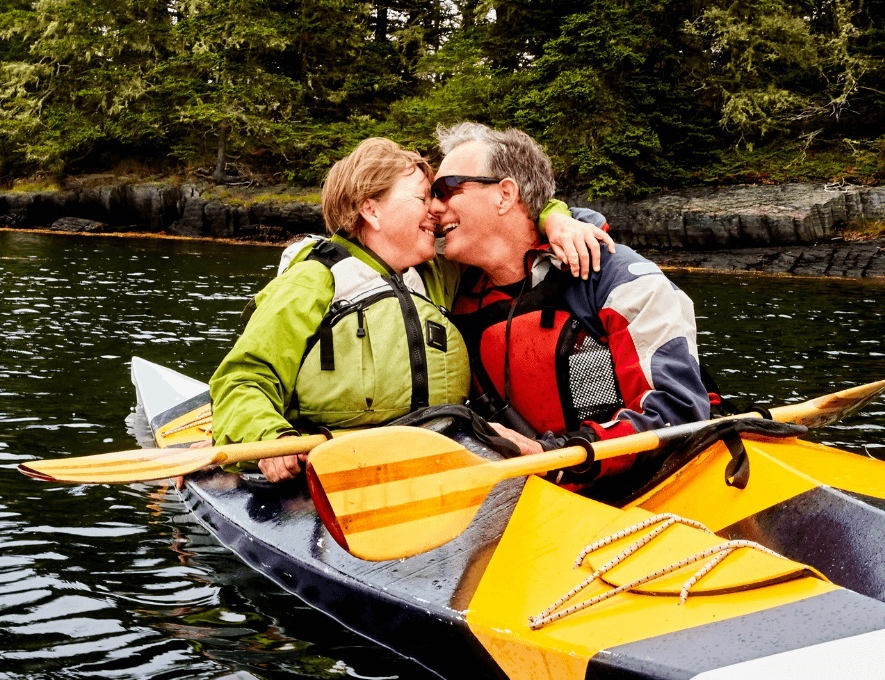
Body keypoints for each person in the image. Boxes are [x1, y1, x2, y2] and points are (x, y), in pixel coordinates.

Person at [209, 137, 613, 482]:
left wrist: (558, 218)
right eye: (422, 198)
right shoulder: (312, 282)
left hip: (435, 463)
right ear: (372, 210)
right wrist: (271, 439)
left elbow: (506, 223)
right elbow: (243, 378)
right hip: (337, 467)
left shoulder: (440, 275)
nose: (435, 211)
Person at [429, 122, 711, 487]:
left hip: (636, 490)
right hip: (526, 492)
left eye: (446, 189)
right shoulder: (449, 287)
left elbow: (677, 412)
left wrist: (554, 457)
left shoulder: (620, 280)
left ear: (504, 195)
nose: (434, 207)